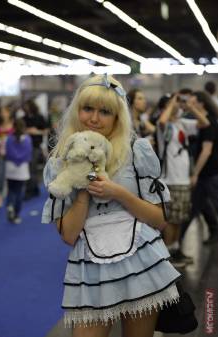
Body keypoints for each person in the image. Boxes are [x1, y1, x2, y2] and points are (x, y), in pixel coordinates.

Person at [42, 75, 181, 337]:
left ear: (118, 117)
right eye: (88, 109)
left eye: (105, 111)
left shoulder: (136, 151)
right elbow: (69, 235)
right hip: (90, 268)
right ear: (77, 111)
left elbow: (159, 219)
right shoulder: (59, 163)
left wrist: (117, 192)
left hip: (141, 261)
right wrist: (84, 191)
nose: (94, 118)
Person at [157, 93, 210, 267]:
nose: (179, 106)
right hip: (170, 179)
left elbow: (204, 122)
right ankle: (168, 254)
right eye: (175, 104)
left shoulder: (182, 124)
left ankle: (175, 249)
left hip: (183, 179)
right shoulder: (163, 126)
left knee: (180, 218)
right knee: (171, 218)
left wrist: (190, 106)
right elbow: (163, 121)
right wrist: (172, 103)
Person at [180, 91, 218, 245]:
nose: (190, 104)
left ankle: (177, 242)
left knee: (195, 206)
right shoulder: (206, 120)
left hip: (208, 172)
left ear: (201, 103)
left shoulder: (209, 122)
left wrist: (195, 173)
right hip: (208, 172)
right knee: (201, 204)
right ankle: (214, 229)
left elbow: (206, 151)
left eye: (193, 102)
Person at [5, 119, 32, 224]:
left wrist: (15, 160)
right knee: (19, 192)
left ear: (14, 127)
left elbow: (8, 153)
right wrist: (20, 160)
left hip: (10, 167)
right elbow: (28, 154)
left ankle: (9, 205)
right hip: (22, 169)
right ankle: (16, 215)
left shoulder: (9, 138)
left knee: (11, 190)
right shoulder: (27, 139)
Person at [22, 99, 49, 199]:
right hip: (24, 146)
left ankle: (31, 190)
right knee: (27, 169)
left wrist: (35, 131)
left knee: (32, 169)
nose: (26, 108)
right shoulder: (23, 118)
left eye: (27, 106)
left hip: (35, 146)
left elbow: (46, 131)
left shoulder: (40, 117)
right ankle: (34, 188)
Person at [0, 105, 14, 208]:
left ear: (9, 113)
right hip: (0, 155)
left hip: (13, 155)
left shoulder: (14, 124)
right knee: (0, 178)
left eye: (4, 112)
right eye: (1, 112)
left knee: (13, 178)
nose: (2, 114)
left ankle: (12, 199)